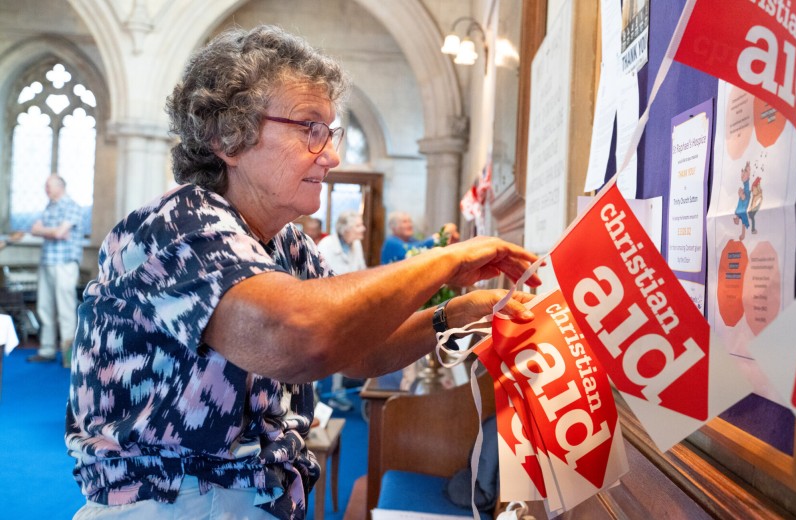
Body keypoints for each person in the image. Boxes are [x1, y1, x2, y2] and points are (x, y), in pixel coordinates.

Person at [65, 25, 538, 520]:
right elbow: (297, 338)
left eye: (329, 133)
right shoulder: (176, 224)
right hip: (170, 504)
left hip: (254, 498)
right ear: (229, 136)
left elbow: (357, 350)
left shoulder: (288, 241)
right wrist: (446, 259)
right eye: (309, 128)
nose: (331, 156)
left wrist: (455, 313)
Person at [27, 174, 83, 367]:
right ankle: (47, 349)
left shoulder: (72, 206)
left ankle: (68, 357)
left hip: (65, 263)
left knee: (66, 310)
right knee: (44, 308)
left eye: (48, 186)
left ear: (60, 186)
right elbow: (38, 230)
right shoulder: (49, 206)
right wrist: (52, 232)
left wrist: (46, 230)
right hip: (47, 262)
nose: (46, 190)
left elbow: (60, 233)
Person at [316, 210, 367, 410]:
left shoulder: (356, 244)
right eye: (358, 225)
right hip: (325, 306)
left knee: (342, 350)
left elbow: (360, 271)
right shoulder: (326, 246)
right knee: (317, 353)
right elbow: (317, 280)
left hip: (348, 305)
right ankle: (310, 394)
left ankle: (336, 392)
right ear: (345, 228)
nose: (362, 229)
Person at [380, 211, 459, 264]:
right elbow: (414, 250)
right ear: (393, 227)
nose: (409, 225)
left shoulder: (411, 240)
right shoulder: (391, 243)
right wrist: (439, 236)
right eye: (404, 222)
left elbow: (427, 251)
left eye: (410, 221)